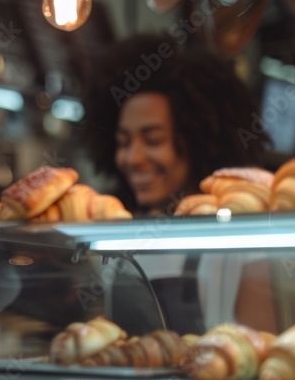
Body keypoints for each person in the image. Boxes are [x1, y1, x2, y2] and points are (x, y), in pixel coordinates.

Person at [79, 34, 275, 337]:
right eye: (123, 142)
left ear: (199, 139)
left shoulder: (239, 242)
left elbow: (259, 354)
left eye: (153, 140)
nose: (134, 158)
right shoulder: (116, 241)